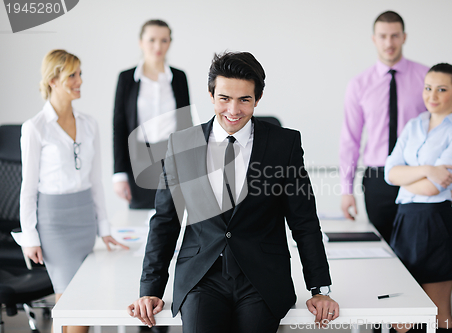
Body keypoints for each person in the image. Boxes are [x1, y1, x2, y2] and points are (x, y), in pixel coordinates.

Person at [127, 51, 339, 332]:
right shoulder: (181, 144)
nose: (233, 110)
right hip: (201, 278)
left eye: (244, 100)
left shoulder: (283, 144)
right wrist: (150, 288)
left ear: (258, 99)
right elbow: (165, 221)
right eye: (225, 98)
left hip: (261, 278)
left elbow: (304, 221)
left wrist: (319, 288)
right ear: (211, 94)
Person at [12, 49, 128, 333]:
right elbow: (28, 188)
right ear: (53, 80)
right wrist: (29, 236)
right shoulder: (35, 128)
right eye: (72, 75)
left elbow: (96, 181)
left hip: (85, 221)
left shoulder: (89, 124)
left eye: (80, 74)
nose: (80, 81)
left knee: (80, 305)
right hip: (55, 226)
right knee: (75, 306)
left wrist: (104, 227)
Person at [385, 63, 452, 332]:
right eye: (428, 88)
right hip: (406, 222)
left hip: (436, 226)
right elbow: (389, 173)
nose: (432, 95)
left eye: (442, 89)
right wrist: (427, 170)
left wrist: (408, 177)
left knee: (437, 314)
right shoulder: (413, 125)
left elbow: (434, 188)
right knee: (402, 317)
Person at [339, 10, 429, 242]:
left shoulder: (426, 78)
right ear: (374, 39)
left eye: (394, 35)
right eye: (383, 36)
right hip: (378, 178)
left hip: (416, 175)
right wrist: (346, 189)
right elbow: (351, 139)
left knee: (417, 246)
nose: (389, 43)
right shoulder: (359, 84)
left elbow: (439, 129)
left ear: (404, 37)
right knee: (384, 247)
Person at [113, 19, 194, 209]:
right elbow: (119, 126)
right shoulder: (127, 78)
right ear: (141, 42)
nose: (158, 46)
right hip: (139, 162)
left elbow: (186, 123)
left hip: (173, 160)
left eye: (164, 40)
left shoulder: (179, 77)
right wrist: (119, 173)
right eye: (152, 40)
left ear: (170, 42)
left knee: (174, 218)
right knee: (140, 221)